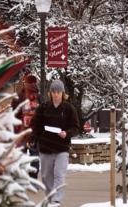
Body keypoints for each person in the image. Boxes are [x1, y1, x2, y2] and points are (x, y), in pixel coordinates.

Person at [30, 79, 80, 207]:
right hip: (46, 147)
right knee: (46, 176)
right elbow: (35, 124)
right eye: (53, 91)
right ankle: (50, 197)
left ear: (63, 93)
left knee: (59, 173)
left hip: (62, 148)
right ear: (50, 93)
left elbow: (75, 127)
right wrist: (35, 138)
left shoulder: (69, 108)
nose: (56, 94)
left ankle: (57, 200)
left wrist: (66, 133)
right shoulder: (43, 107)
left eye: (58, 91)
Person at [11, 73, 41, 178]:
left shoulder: (18, 97)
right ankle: (33, 179)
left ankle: (22, 179)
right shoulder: (39, 97)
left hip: (22, 133)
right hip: (34, 133)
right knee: (34, 157)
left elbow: (13, 115)